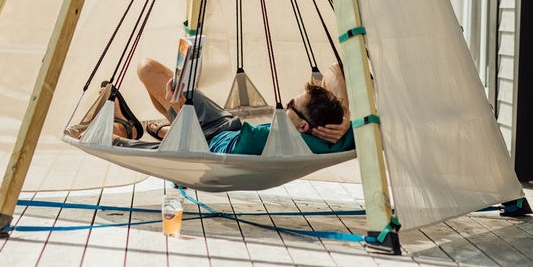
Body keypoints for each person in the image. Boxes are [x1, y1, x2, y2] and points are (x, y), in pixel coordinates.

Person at [107, 58, 354, 155]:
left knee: (109, 138)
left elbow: (335, 70)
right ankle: (161, 129)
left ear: (303, 126)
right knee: (147, 69)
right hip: (224, 124)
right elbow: (335, 69)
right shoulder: (339, 137)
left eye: (290, 104)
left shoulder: (266, 138)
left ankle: (126, 127)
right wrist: (346, 120)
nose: (285, 103)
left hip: (201, 144)